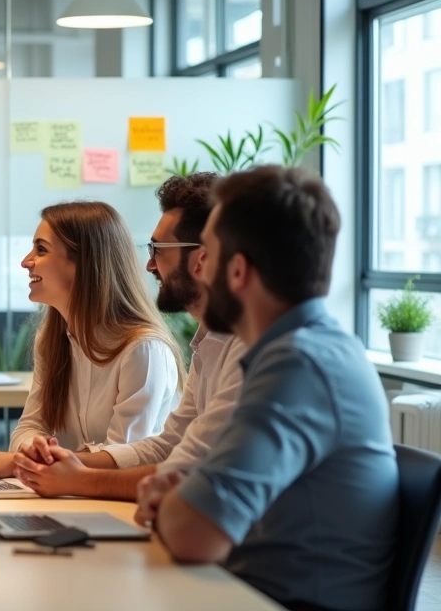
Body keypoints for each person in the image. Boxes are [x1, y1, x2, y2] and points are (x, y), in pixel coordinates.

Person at [136, 166, 397, 611]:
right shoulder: (301, 350)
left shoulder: (299, 364)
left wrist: (174, 498)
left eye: (209, 256)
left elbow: (193, 535)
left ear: (237, 271)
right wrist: (179, 494)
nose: (201, 270)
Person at [13, 173, 246, 500]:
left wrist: (60, 474)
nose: (149, 265)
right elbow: (169, 448)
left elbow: (194, 470)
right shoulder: (211, 344)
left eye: (158, 249)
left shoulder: (242, 351)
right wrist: (35, 462)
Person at [0, 201, 184, 478]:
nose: (26, 261)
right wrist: (33, 452)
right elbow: (28, 428)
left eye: (41, 249)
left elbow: (122, 458)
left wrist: (18, 462)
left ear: (85, 263)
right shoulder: (52, 340)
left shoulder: (143, 350)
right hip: (67, 497)